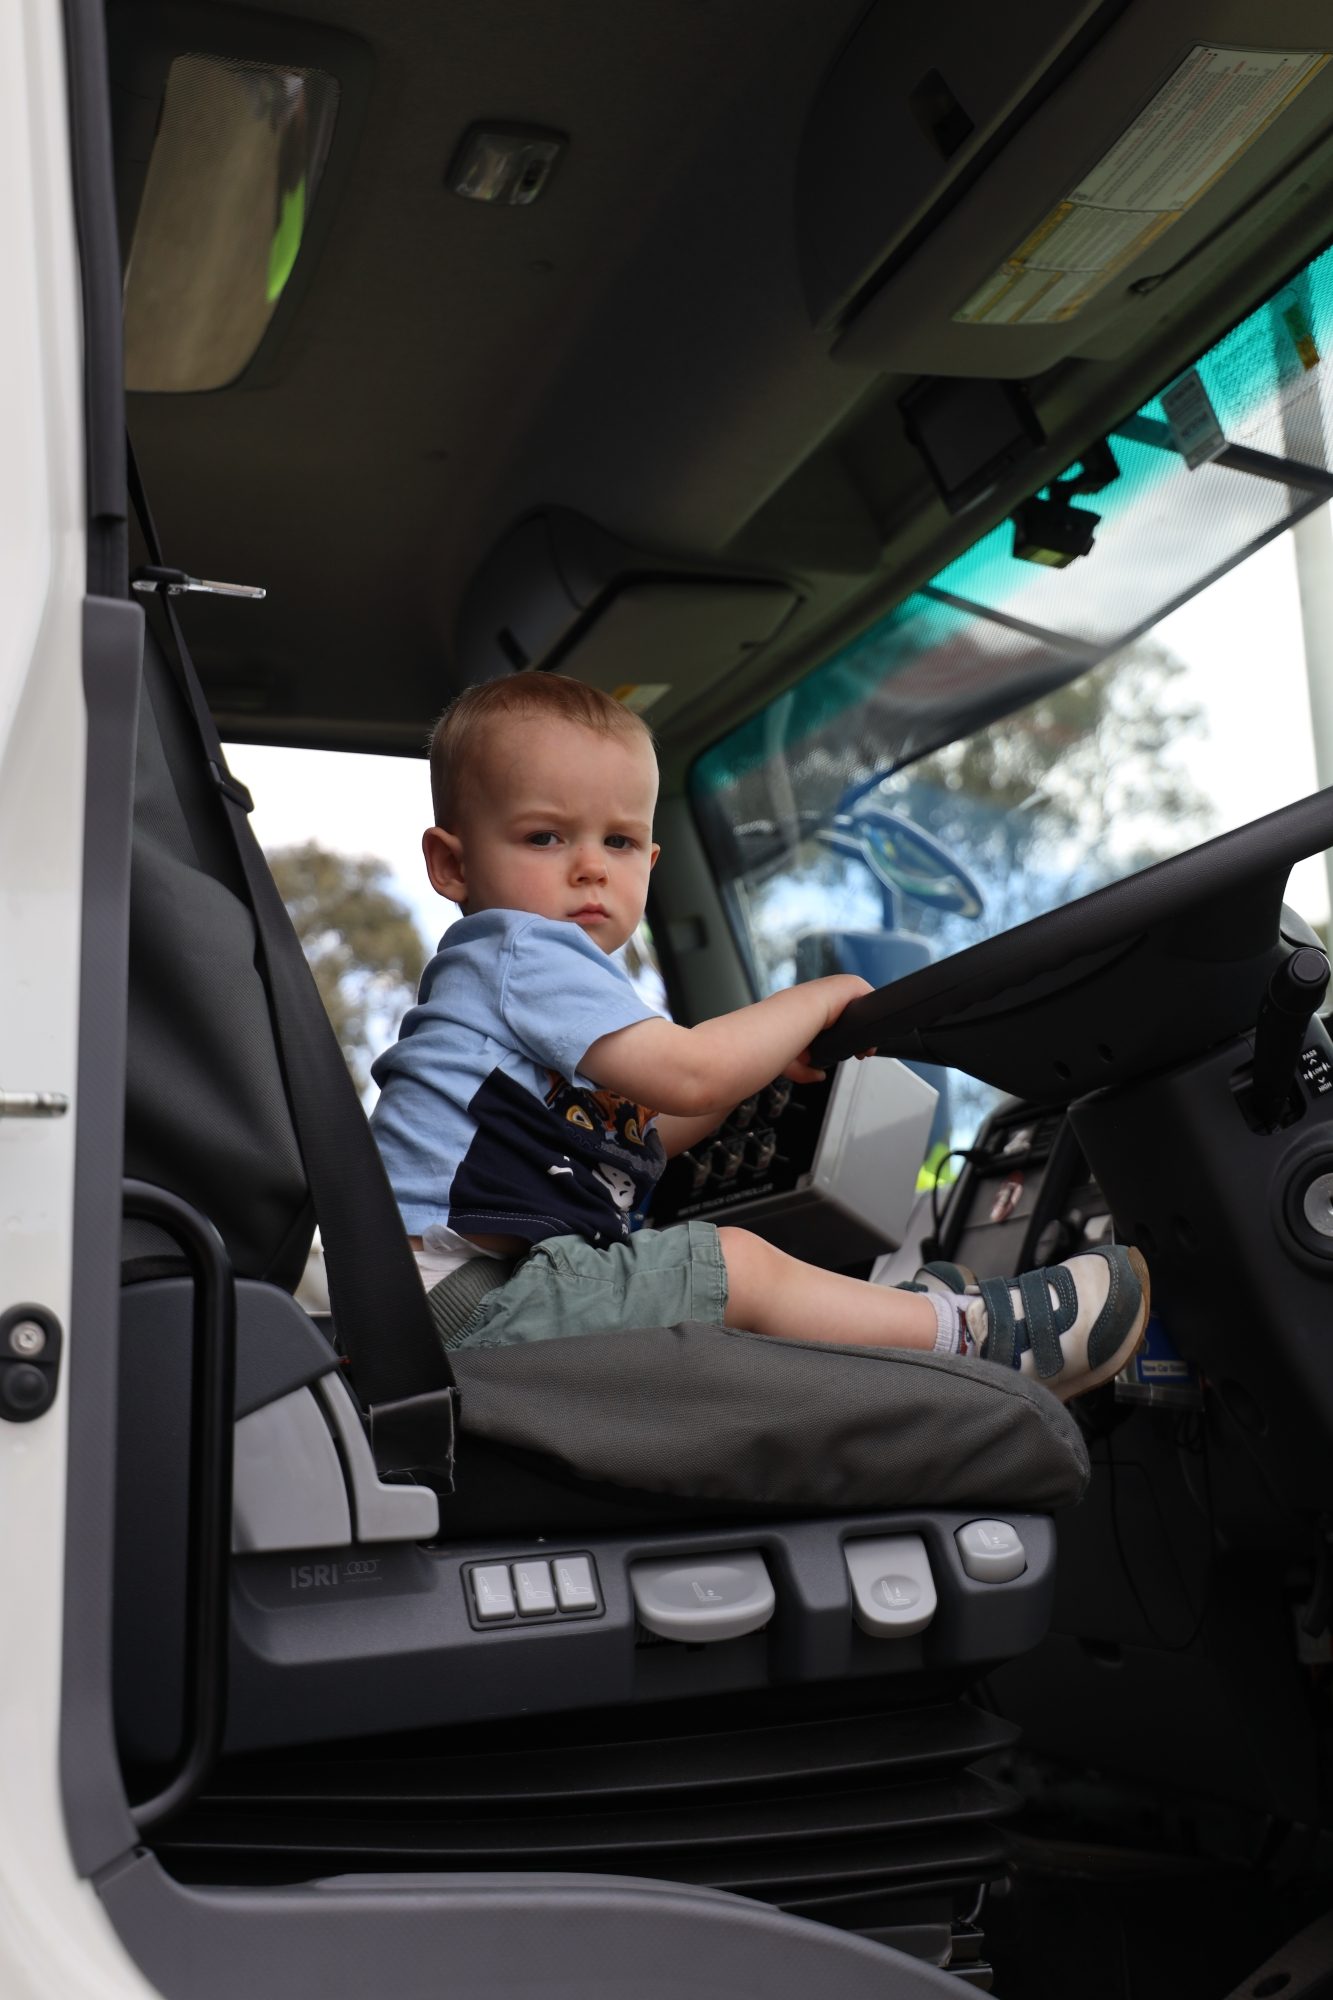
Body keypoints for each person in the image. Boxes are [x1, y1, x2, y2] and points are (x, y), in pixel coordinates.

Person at [370, 673, 1149, 1401]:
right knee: (732, 1265)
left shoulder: (531, 991)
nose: (588, 869)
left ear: (650, 857)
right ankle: (975, 1340)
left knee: (725, 1274)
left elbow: (651, 1127)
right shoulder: (518, 949)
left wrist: (765, 1069)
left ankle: (908, 1326)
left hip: (457, 1303)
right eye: (544, 837)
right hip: (462, 1302)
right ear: (452, 863)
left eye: (617, 842)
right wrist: (814, 1002)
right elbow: (691, 1075)